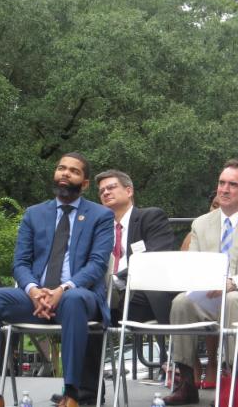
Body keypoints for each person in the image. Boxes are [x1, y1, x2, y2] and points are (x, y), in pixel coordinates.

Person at [0, 153, 114, 407]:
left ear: (85, 183)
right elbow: (20, 263)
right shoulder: (34, 214)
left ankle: (72, 396)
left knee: (73, 299)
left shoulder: (100, 215)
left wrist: (63, 289)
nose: (65, 173)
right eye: (61, 168)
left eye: (74, 171)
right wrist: (34, 291)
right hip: (36, 299)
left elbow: (97, 264)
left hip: (78, 297)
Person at [50, 169, 174, 405]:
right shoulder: (95, 225)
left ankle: (84, 392)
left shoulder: (150, 217)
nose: (105, 192)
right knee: (83, 309)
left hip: (140, 297)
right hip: (104, 296)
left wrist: (117, 279)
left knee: (92, 304)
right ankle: (85, 394)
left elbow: (156, 257)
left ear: (129, 191)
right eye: (101, 191)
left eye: (111, 187)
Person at [164, 160, 238, 405]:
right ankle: (186, 383)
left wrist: (233, 282)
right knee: (181, 302)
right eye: (221, 183)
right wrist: (204, 282)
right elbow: (193, 264)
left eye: (232, 185)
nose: (224, 189)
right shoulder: (201, 223)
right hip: (208, 293)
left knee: (234, 300)